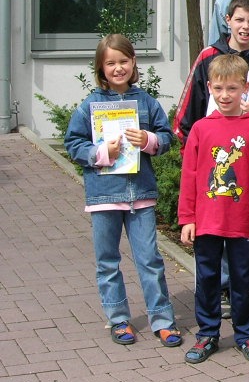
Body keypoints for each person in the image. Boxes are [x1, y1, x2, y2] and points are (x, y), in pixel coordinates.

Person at [64, 34, 182, 348]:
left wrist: (150, 141)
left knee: (150, 260)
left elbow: (167, 137)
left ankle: (163, 320)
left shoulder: (146, 102)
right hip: (104, 196)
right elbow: (73, 144)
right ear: (101, 68)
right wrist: (101, 153)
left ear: (133, 63)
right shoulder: (90, 105)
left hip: (140, 195)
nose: (118, 68)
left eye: (124, 61)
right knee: (107, 261)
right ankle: (118, 320)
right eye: (111, 63)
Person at [178, 54, 249, 364]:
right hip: (206, 221)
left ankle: (247, 335)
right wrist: (187, 218)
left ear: (245, 88)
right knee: (207, 279)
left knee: (244, 280)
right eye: (218, 88)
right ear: (209, 87)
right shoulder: (201, 129)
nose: (225, 96)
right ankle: (207, 333)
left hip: (242, 221)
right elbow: (190, 176)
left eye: (232, 88)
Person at [174, 0, 249, 142]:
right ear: (228, 20)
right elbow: (190, 108)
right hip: (210, 143)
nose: (245, 26)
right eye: (239, 20)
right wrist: (191, 150)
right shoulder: (208, 56)